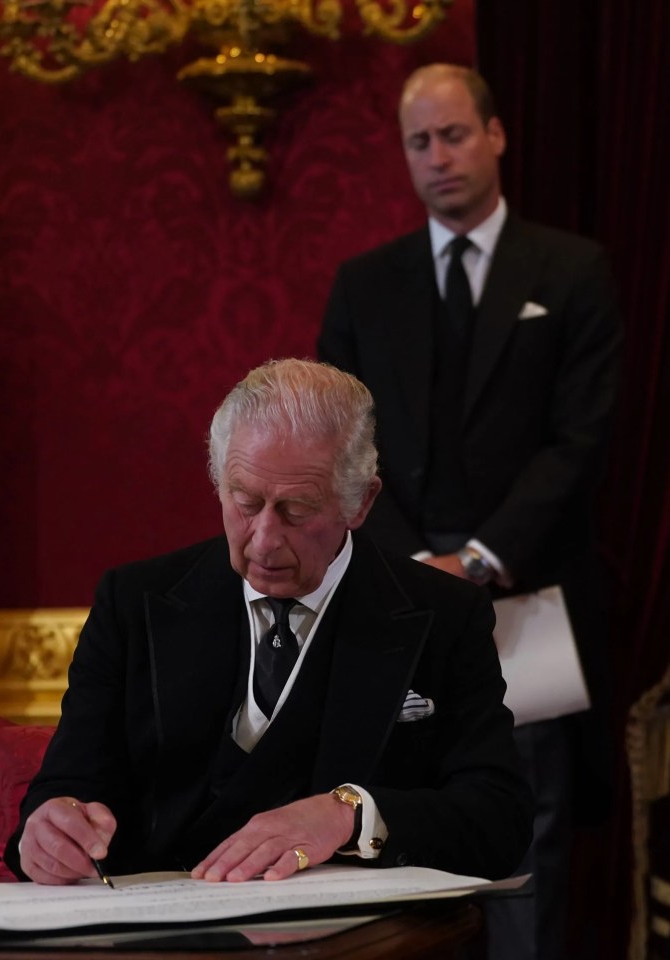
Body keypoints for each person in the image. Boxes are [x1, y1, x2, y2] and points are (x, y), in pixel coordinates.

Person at [5, 358, 532, 889]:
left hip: (355, 936)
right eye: (245, 501)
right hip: (161, 929)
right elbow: (65, 789)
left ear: (361, 502)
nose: (263, 539)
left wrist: (350, 815)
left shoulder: (444, 613)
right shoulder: (133, 602)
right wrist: (47, 833)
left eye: (297, 509)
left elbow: (498, 821)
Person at [318, 65, 621, 960]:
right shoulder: (365, 285)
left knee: (528, 849)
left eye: (453, 134)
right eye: (420, 142)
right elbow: (338, 449)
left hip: (525, 610)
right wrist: (417, 570)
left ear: (494, 136)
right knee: (391, 845)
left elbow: (580, 441)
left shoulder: (571, 270)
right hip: (395, 607)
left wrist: (478, 561)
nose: (438, 156)